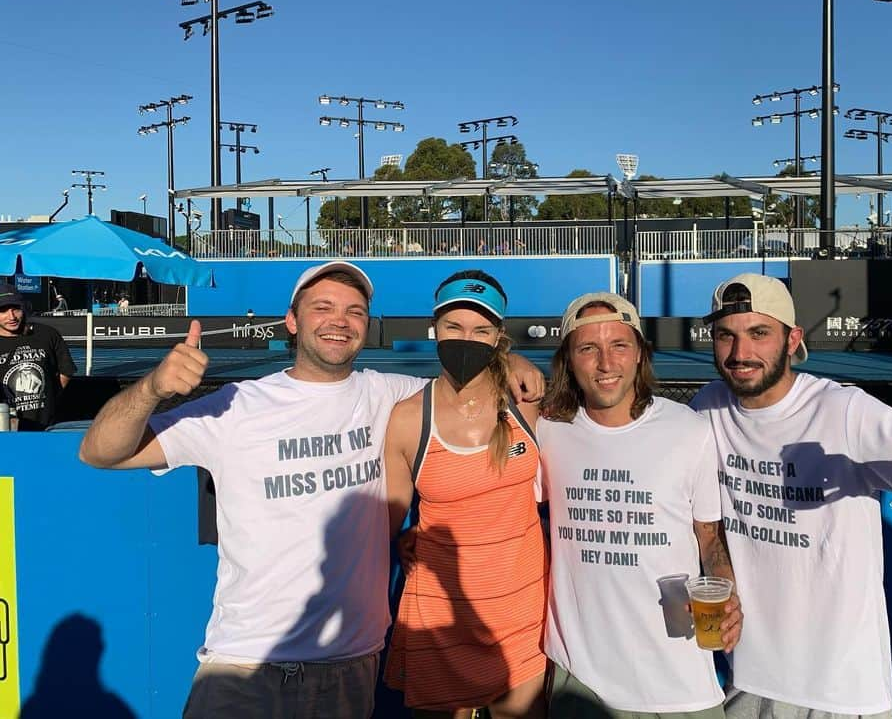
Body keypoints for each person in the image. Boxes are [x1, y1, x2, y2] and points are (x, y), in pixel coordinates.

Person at [78, 261, 544, 719]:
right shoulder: (236, 406)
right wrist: (154, 388)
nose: (339, 321)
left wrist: (511, 360)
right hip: (244, 665)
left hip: (349, 666)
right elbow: (101, 452)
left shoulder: (389, 396)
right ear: (292, 320)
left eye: (355, 311)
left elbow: (468, 379)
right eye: (323, 307)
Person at [690, 273, 892, 719]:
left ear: (792, 340)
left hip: (842, 694)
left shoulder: (844, 410)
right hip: (748, 681)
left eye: (759, 333)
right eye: (725, 336)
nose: (740, 353)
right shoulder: (706, 407)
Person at [539, 292, 742, 718]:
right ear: (569, 360)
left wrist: (727, 588)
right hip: (582, 683)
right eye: (588, 348)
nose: (605, 363)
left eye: (619, 345)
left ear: (639, 355)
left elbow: (709, 535)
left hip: (680, 683)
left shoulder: (689, 430)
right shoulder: (548, 429)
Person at [384, 270, 547, 718]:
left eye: (481, 330)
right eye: (454, 328)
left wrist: (520, 363)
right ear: (433, 330)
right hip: (438, 617)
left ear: (498, 337)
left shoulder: (527, 401)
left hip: (520, 610)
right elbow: (387, 524)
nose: (465, 339)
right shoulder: (408, 418)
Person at [0, 283, 76, 431]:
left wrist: (49, 398)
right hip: (6, 428)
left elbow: (66, 371)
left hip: (48, 426)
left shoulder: (46, 334)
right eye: (2, 310)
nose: (11, 317)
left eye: (15, 309)